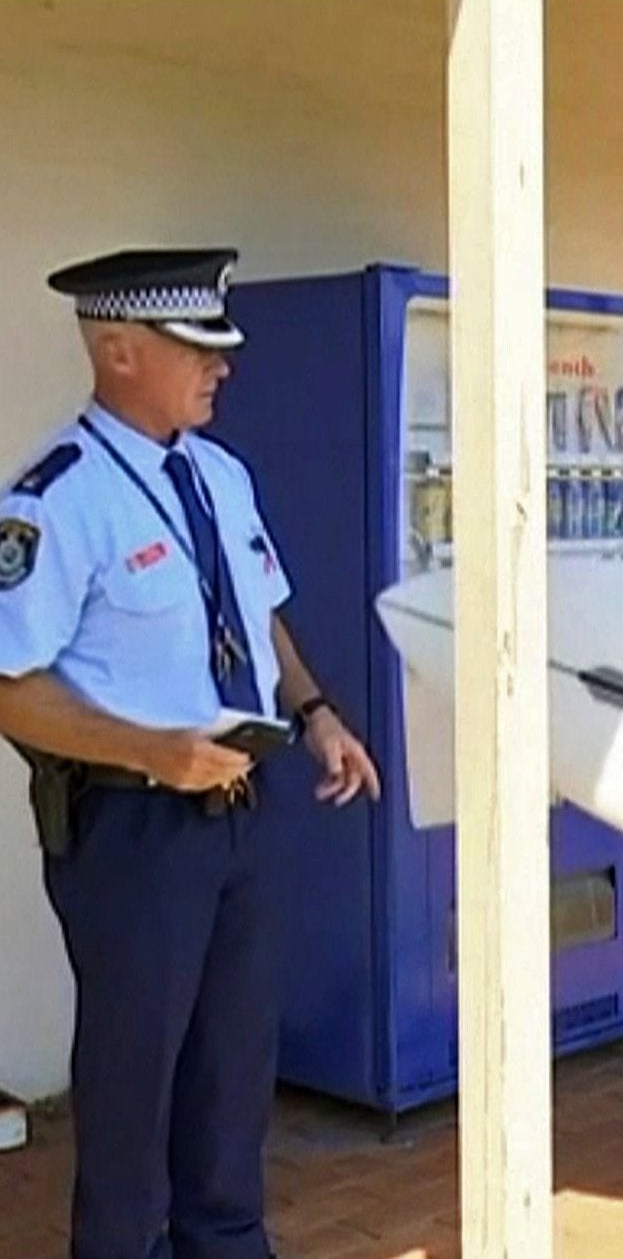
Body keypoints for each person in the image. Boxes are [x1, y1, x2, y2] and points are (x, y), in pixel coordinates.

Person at [0, 247, 380, 1259]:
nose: (224, 367)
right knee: (134, 1080)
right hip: (133, 827)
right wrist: (150, 750)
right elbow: (9, 686)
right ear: (119, 350)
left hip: (243, 812)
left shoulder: (220, 472)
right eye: (199, 348)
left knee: (232, 1066)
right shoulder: (57, 497)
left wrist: (316, 713)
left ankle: (227, 1240)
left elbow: (262, 617)